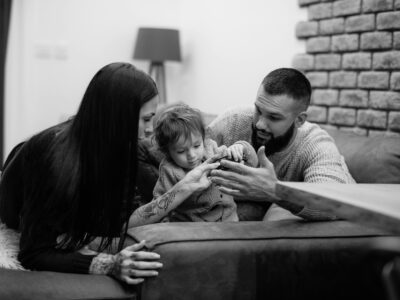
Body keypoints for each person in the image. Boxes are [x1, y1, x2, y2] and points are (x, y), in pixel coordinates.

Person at [0, 62, 219, 285]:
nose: (151, 128)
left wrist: (182, 189)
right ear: (118, 115)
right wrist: (108, 264)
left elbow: (125, 223)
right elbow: (33, 253)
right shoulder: (53, 155)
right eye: (146, 118)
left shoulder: (121, 148)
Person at [207, 68, 355, 221]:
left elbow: (333, 204)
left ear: (299, 120)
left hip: (295, 210)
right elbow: (189, 155)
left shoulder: (316, 144)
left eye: (274, 117)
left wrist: (275, 191)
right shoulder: (233, 121)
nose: (260, 124)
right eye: (258, 110)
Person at [149, 104, 258, 222]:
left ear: (203, 139)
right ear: (167, 151)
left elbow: (252, 162)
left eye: (196, 145)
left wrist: (240, 148)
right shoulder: (169, 170)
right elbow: (158, 205)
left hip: (229, 220)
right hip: (194, 229)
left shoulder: (212, 150)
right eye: (181, 151)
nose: (192, 155)